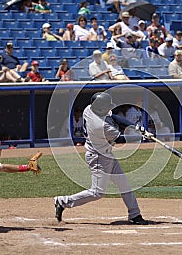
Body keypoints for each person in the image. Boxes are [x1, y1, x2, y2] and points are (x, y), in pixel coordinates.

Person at [54, 93, 148, 225]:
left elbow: (113, 116)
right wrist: (141, 137)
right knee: (97, 192)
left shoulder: (89, 109)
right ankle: (62, 201)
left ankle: (135, 215)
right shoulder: (101, 126)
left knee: (124, 185)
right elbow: (121, 139)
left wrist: (135, 127)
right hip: (98, 158)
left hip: (106, 154)